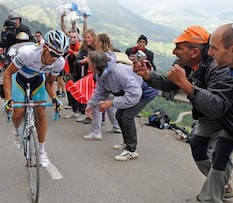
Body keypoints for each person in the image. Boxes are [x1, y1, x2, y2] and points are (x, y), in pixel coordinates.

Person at [133, 25, 233, 202]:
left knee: (220, 158)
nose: (174, 52)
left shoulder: (219, 67)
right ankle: (221, 185)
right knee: (198, 147)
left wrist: (186, 85)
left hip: (223, 116)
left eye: (179, 48)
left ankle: (210, 195)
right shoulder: (187, 64)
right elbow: (171, 83)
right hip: (211, 115)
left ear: (194, 52)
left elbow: (218, 105)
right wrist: (147, 75)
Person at [3, 30, 69, 167]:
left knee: (41, 112)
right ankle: (17, 131)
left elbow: (50, 83)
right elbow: (7, 74)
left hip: (38, 80)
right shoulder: (27, 54)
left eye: (59, 55)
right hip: (19, 78)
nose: (55, 59)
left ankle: (42, 151)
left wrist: (55, 99)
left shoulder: (59, 63)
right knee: (19, 112)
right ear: (45, 47)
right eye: (53, 54)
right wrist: (8, 99)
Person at [85, 50, 158, 160]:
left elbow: (135, 93)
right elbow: (100, 91)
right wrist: (90, 105)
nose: (88, 63)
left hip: (145, 91)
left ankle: (132, 150)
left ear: (95, 64)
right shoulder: (101, 74)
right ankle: (127, 142)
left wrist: (112, 102)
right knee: (119, 115)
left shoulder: (117, 72)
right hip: (133, 91)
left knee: (127, 116)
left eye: (89, 62)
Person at [83, 33, 122, 140]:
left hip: (108, 86)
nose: (95, 43)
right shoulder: (111, 53)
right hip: (113, 87)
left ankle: (96, 132)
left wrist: (98, 75)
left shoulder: (105, 56)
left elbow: (104, 72)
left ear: (100, 43)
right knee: (109, 106)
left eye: (96, 41)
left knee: (97, 105)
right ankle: (116, 126)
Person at [63, 30, 81, 118]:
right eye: (71, 37)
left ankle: (81, 111)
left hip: (77, 72)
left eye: (74, 37)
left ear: (78, 38)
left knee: (77, 91)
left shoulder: (80, 46)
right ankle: (74, 110)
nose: (72, 39)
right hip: (68, 70)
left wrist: (70, 51)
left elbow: (78, 55)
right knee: (70, 91)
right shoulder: (68, 45)